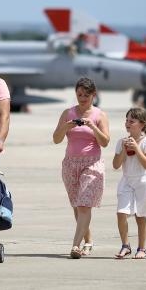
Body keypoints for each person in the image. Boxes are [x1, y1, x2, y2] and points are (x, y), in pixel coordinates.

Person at [52, 77, 110, 259]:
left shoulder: (100, 115)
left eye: (86, 95)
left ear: (94, 94)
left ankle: (75, 246)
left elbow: (105, 142)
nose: (82, 98)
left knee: (84, 204)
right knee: (78, 207)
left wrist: (93, 127)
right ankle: (88, 241)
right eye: (79, 94)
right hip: (70, 164)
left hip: (92, 164)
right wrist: (66, 126)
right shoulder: (68, 113)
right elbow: (56, 139)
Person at [113, 107, 146, 260]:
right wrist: (124, 150)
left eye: (132, 121)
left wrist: (137, 148)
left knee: (141, 216)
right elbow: (116, 165)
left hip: (142, 181)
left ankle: (142, 248)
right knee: (121, 213)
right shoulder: (121, 142)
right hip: (127, 180)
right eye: (126, 120)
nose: (128, 123)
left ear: (142, 124)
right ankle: (125, 245)